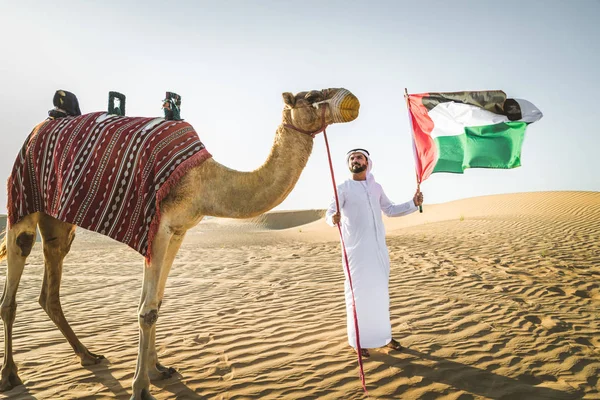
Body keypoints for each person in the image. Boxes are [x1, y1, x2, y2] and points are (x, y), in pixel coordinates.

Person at [325, 148, 423, 357]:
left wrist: (413, 204)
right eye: (351, 158)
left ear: (367, 162)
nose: (355, 160)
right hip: (357, 252)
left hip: (378, 251)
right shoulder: (343, 188)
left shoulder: (376, 187)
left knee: (379, 294)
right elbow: (331, 211)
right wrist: (333, 218)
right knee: (357, 295)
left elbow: (390, 209)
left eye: (359, 157)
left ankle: (384, 337)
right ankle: (357, 341)